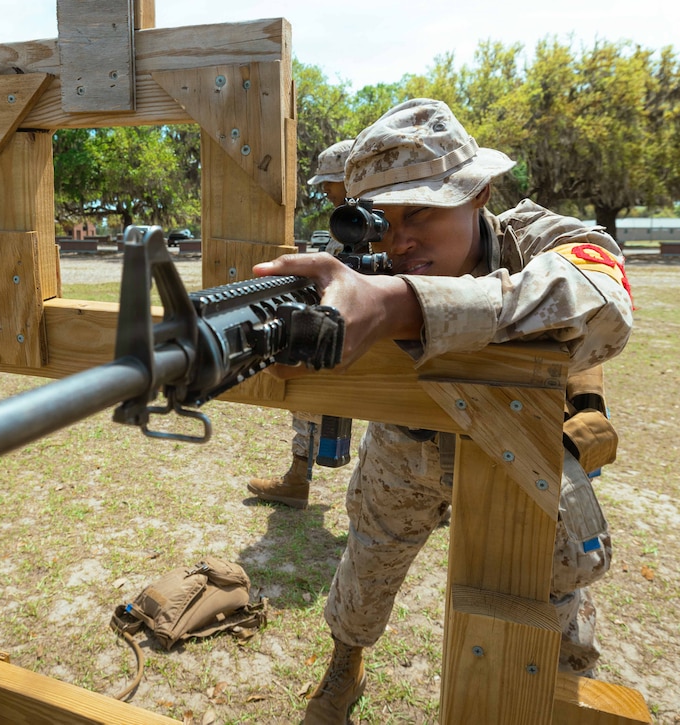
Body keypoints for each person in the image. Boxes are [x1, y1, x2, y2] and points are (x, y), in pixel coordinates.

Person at [250, 99, 632, 723]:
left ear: (478, 191)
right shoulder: (356, 264)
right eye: (381, 218)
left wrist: (405, 305)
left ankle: (562, 703)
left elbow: (602, 303)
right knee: (367, 566)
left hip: (516, 447)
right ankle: (345, 667)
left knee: (552, 606)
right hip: (406, 446)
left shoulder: (538, 239)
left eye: (421, 210)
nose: (399, 241)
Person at [248, 139, 354, 509]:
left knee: (307, 395)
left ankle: (296, 480)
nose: (325, 189)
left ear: (352, 178)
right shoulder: (351, 225)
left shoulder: (363, 224)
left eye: (331, 181)